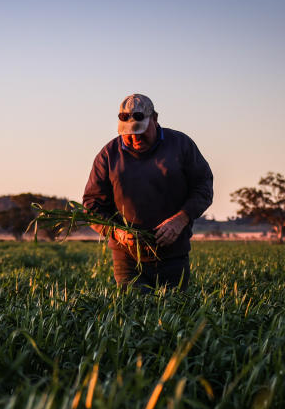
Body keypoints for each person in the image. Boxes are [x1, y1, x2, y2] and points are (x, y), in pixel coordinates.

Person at [83, 94, 214, 291]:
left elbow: (203, 186)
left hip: (173, 257)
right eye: (128, 133)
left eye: (140, 131)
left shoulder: (181, 145)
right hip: (127, 258)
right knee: (134, 314)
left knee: (175, 314)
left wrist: (181, 218)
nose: (135, 138)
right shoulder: (109, 154)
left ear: (155, 119)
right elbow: (92, 205)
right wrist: (117, 232)